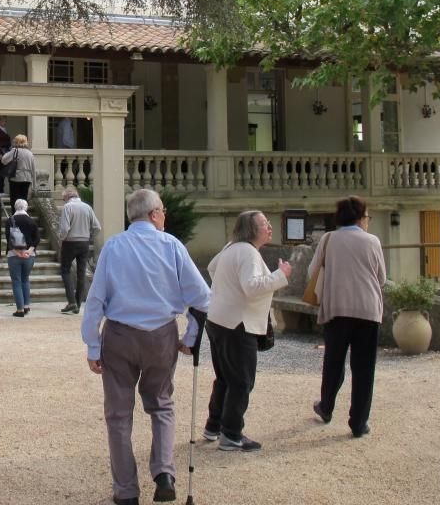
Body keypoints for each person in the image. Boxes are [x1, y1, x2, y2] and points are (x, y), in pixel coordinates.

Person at [81, 189, 211, 505]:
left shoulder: (114, 246)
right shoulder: (172, 245)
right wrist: (191, 337)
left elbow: (95, 300)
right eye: (162, 210)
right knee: (162, 404)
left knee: (118, 415)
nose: (164, 215)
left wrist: (93, 345)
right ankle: (164, 473)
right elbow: (202, 298)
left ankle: (126, 491)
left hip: (120, 336)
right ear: (154, 214)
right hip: (161, 335)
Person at [202, 210, 292, 452]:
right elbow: (251, 287)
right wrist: (280, 275)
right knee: (241, 381)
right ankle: (231, 434)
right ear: (251, 229)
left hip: (219, 319)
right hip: (237, 324)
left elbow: (212, 267)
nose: (269, 227)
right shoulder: (248, 252)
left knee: (225, 378)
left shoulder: (231, 247)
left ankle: (214, 426)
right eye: (264, 224)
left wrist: (227, 290)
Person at [310, 195, 386, 438]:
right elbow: (382, 278)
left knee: (334, 361)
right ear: (361, 218)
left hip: (337, 309)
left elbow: (312, 271)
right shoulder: (372, 241)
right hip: (367, 310)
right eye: (367, 217)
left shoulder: (329, 239)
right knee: (364, 368)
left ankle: (326, 406)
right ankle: (358, 422)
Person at [57, 185, 101, 314]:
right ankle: (77, 302)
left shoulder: (68, 207)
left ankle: (71, 302)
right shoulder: (87, 207)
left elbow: (65, 229)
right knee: (81, 273)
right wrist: (89, 236)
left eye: (64, 198)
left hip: (70, 242)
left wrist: (61, 239)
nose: (64, 201)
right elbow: (97, 227)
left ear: (67, 196)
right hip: (84, 242)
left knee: (65, 270)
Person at [6, 198, 40, 317]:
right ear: (26, 207)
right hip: (29, 255)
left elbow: (8, 238)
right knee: (25, 279)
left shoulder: (10, 220)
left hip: (13, 255)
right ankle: (26, 306)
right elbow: (37, 238)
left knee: (16, 281)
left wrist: (18, 252)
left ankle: (19, 309)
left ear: (15, 207)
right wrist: (29, 251)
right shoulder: (31, 221)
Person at [0, 134, 34, 211]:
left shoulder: (15, 150)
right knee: (24, 199)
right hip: (27, 179)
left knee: (14, 199)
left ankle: (15, 215)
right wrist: (33, 182)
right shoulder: (30, 153)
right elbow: (33, 168)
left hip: (16, 177)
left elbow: (3, 160)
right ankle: (23, 214)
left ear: (17, 142)